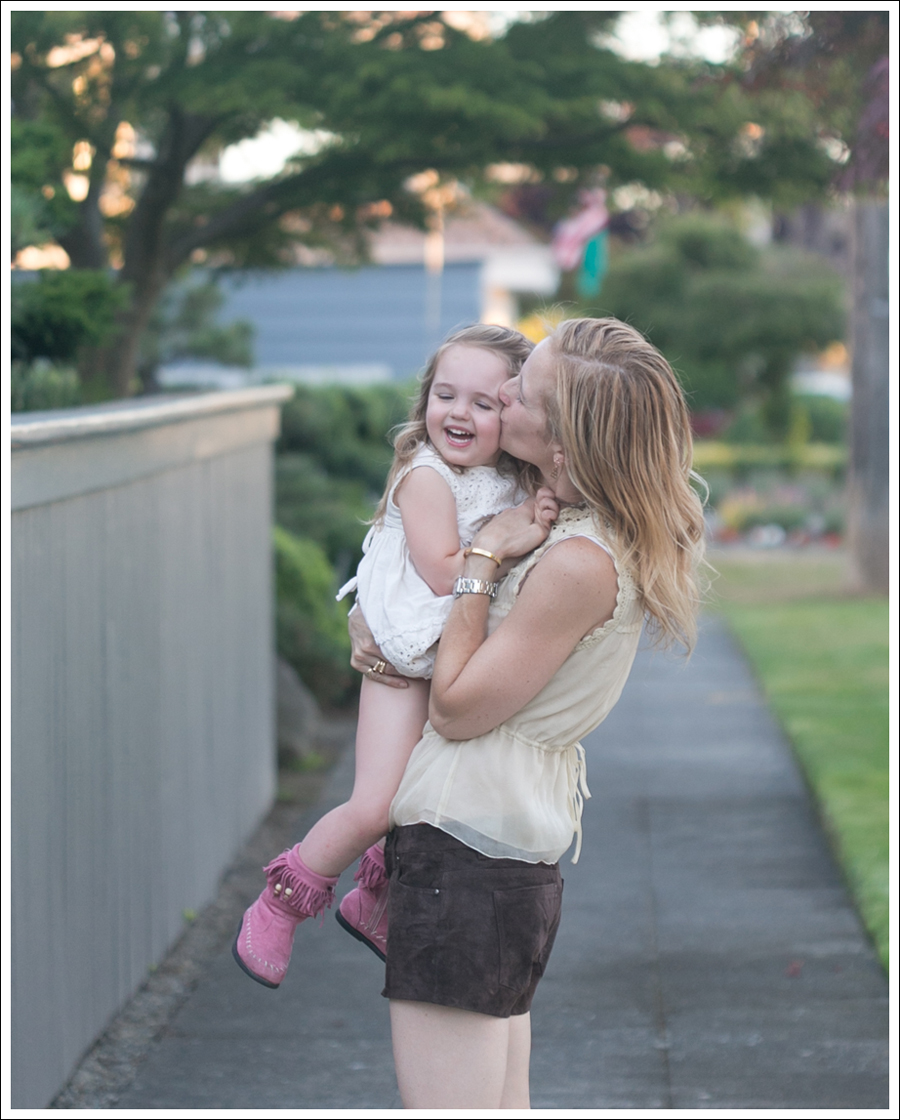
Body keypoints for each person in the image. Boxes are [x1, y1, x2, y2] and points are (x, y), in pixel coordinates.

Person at [350, 317, 708, 1108]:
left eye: (524, 391)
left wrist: (479, 560)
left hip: (466, 852)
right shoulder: (572, 530)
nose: (502, 392)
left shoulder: (576, 561)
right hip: (491, 850)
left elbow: (456, 706)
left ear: (565, 447)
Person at [233, 324, 535, 988]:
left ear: (515, 412)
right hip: (402, 655)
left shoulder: (510, 478)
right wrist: (509, 537)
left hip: (450, 657)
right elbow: (441, 576)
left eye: (483, 404)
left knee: (424, 797)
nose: (458, 413)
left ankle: (375, 900)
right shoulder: (426, 475)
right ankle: (280, 904)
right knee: (376, 801)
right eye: (445, 394)